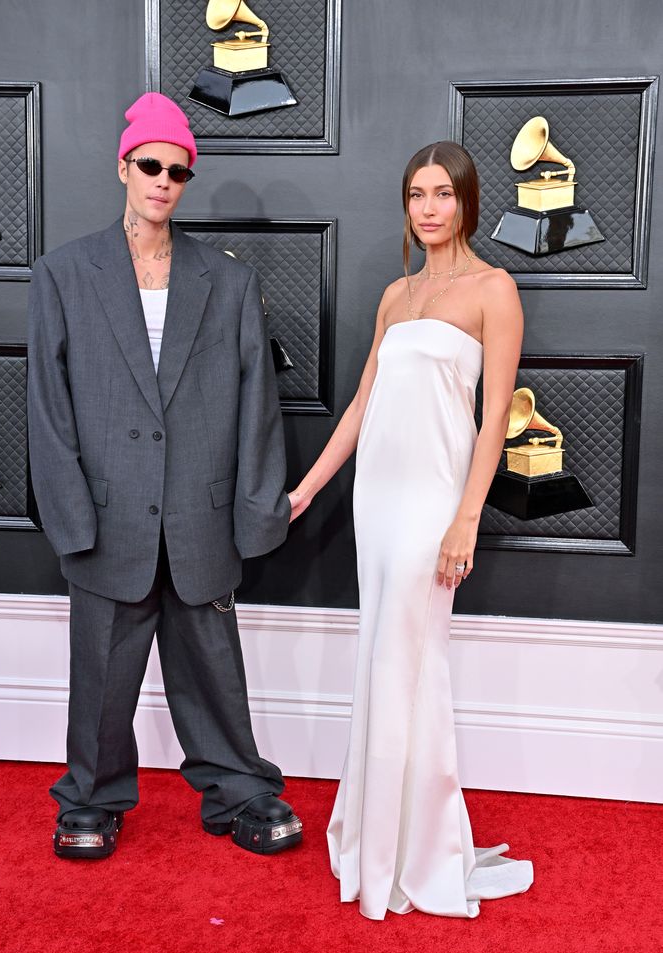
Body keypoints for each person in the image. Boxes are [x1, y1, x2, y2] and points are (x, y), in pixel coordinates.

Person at [27, 92, 301, 859]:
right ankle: (90, 796)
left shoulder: (228, 282)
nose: (162, 182)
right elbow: (48, 408)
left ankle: (241, 791)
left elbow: (257, 405)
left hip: (199, 512)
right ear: (124, 166)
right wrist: (70, 515)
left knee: (215, 669)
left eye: (177, 172)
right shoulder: (63, 273)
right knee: (102, 678)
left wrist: (255, 511)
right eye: (150, 165)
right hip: (106, 513)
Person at [288, 142, 533, 918]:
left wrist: (467, 515)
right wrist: (307, 489)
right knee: (382, 663)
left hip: (435, 502)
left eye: (443, 193)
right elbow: (361, 405)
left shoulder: (495, 288)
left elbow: (496, 416)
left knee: (412, 665)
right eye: (417, 194)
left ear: (467, 201)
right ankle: (381, 837)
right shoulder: (395, 296)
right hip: (378, 499)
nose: (429, 207)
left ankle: (418, 850)